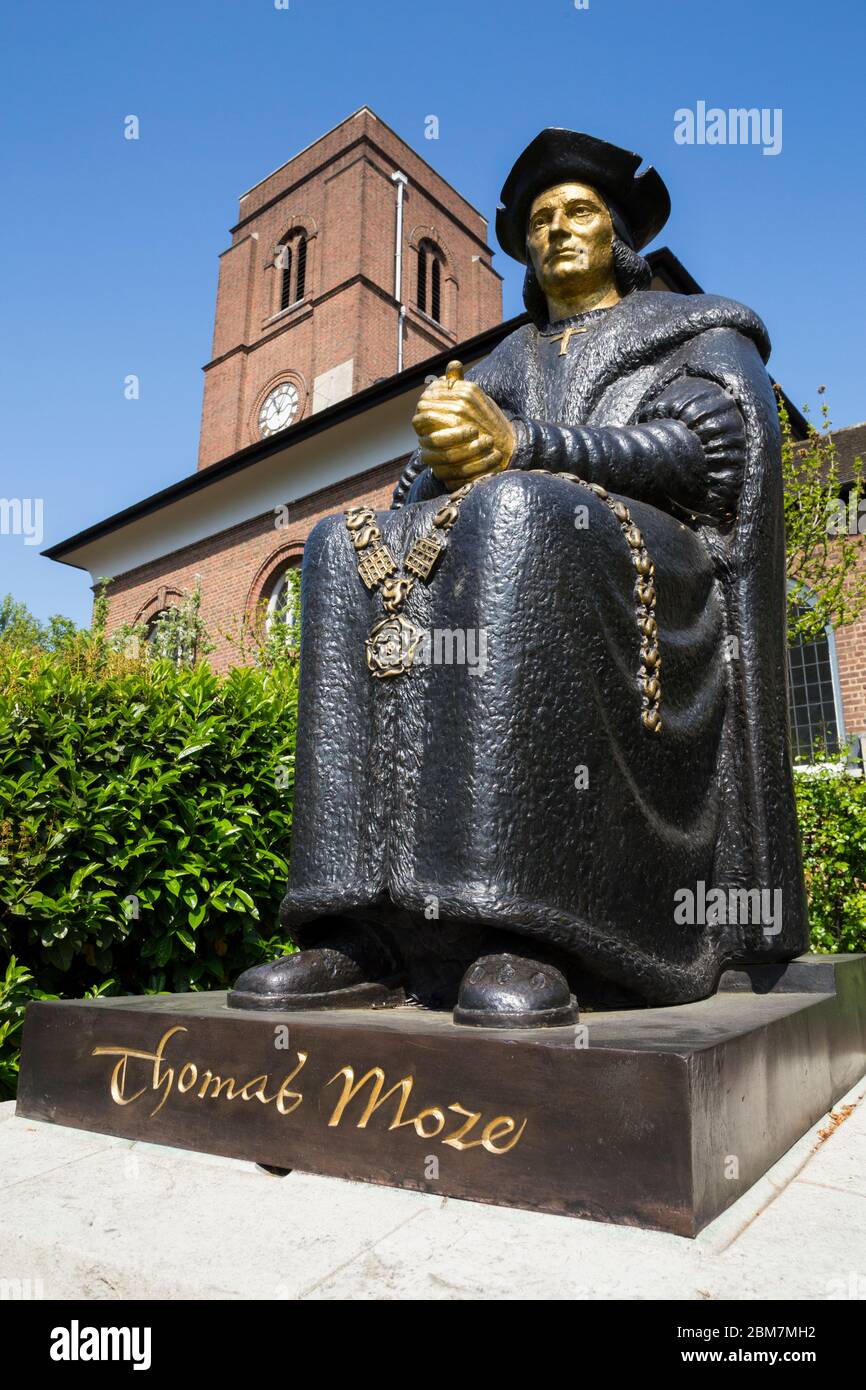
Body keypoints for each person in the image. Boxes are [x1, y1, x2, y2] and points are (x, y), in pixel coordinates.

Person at [229, 129, 808, 1025]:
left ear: (617, 233)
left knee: (520, 512)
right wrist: (436, 452)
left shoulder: (693, 330)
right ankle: (359, 927)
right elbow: (422, 493)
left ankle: (528, 927)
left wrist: (528, 450)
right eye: (541, 220)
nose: (558, 231)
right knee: (343, 546)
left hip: (658, 575)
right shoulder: (502, 364)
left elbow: (711, 448)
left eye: (579, 213)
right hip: (517, 553)